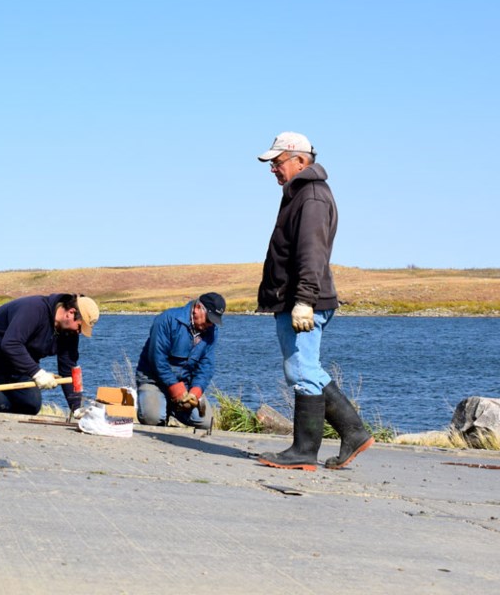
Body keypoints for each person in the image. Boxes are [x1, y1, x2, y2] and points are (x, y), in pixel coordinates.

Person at [253, 132, 373, 471]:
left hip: (304, 300)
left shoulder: (312, 197)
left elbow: (312, 252)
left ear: (300, 160)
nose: (273, 170)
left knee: (302, 371)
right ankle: (354, 432)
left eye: (277, 163)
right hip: (297, 298)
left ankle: (305, 450)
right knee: (306, 369)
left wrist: (303, 300)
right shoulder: (301, 194)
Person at [0, 294, 100, 415]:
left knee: (31, 406)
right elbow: (11, 344)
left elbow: (68, 368)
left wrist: (76, 407)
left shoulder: (70, 333)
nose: (79, 332)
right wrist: (38, 374)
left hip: (17, 362)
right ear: (71, 313)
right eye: (80, 326)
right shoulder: (33, 309)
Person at [135, 293, 225, 429]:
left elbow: (206, 366)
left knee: (207, 422)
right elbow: (157, 360)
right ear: (198, 308)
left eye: (213, 321)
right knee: (152, 418)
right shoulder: (167, 320)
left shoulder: (212, 330)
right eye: (208, 319)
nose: (210, 324)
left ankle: (170, 408)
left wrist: (196, 391)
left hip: (185, 385)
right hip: (153, 380)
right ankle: (156, 406)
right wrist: (175, 388)